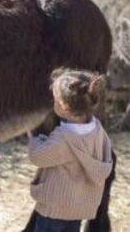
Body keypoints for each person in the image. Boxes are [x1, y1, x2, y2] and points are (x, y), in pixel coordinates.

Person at [28, 68, 113, 232]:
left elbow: (37, 157)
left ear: (64, 106)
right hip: (78, 210)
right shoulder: (97, 130)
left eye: (55, 100)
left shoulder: (63, 138)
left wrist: (35, 138)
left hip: (54, 211)